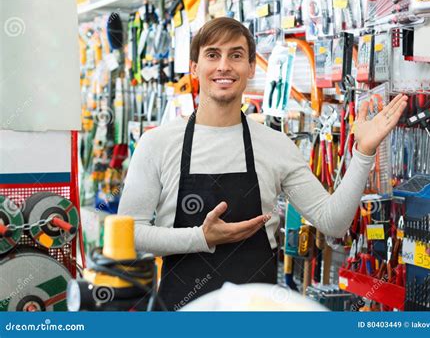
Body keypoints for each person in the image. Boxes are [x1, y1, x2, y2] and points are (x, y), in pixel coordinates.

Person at [118, 17, 408, 310]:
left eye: (236, 55)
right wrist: (200, 237)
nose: (224, 66)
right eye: (212, 55)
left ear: (251, 68)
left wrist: (364, 152)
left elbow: (333, 222)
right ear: (194, 68)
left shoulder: (275, 145)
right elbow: (131, 232)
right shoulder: (157, 143)